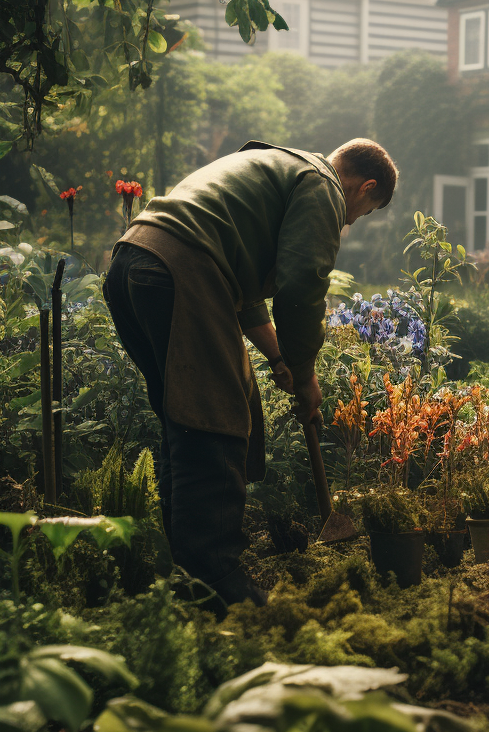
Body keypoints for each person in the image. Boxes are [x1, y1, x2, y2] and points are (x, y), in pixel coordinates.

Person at [103, 139, 397, 609]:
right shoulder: (321, 186)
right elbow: (302, 285)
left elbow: (246, 289)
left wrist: (281, 359)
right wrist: (305, 374)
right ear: (366, 186)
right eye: (361, 213)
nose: (349, 222)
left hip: (134, 264)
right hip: (182, 269)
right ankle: (216, 581)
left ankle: (186, 576)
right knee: (214, 416)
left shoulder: (279, 169)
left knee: (185, 418)